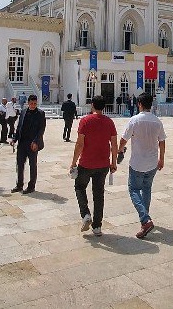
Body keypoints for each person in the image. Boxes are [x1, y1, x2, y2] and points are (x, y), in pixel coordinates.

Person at [70, 95, 118, 237]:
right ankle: (97, 226)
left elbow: (80, 144)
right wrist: (113, 162)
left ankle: (85, 214)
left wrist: (73, 162)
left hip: (86, 163)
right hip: (103, 164)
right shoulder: (109, 122)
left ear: (92, 105)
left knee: (79, 187)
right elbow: (114, 144)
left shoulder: (85, 121)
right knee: (98, 195)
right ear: (104, 106)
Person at [120, 92, 165, 239]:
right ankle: (145, 219)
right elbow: (162, 141)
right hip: (152, 162)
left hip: (137, 162)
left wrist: (120, 150)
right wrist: (161, 159)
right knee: (146, 190)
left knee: (133, 189)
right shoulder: (157, 121)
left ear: (139, 104)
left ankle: (145, 220)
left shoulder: (134, 120)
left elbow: (124, 139)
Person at [12, 94, 46, 194]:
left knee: (32, 165)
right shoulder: (23, 112)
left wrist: (36, 142)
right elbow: (19, 127)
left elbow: (41, 129)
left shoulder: (40, 113)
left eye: (35, 103)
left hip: (32, 144)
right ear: (28, 103)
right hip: (22, 143)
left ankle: (31, 186)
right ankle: (19, 185)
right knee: (19, 164)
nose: (33, 105)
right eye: (31, 103)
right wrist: (15, 139)